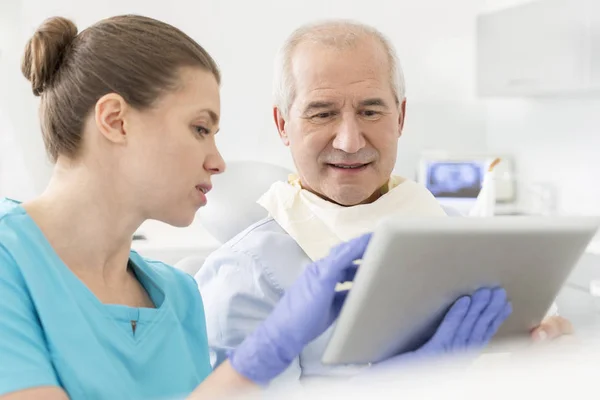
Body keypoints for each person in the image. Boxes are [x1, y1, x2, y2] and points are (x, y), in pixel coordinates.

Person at [0, 15, 511, 400]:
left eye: (372, 110)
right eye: (200, 128)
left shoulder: (175, 295)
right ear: (115, 120)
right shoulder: (9, 264)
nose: (219, 161)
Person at [195, 19, 573, 385]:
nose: (350, 141)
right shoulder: (245, 275)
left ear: (400, 117)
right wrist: (396, 385)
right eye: (322, 113)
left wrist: (552, 360)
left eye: (370, 111)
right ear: (283, 126)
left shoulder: (461, 231)